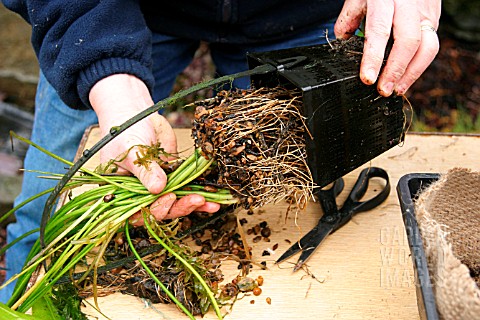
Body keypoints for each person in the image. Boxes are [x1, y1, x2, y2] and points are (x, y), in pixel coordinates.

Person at [0, 0, 441, 303]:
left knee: (274, 193)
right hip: (104, 16)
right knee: (49, 212)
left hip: (297, 15)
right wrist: (108, 77)